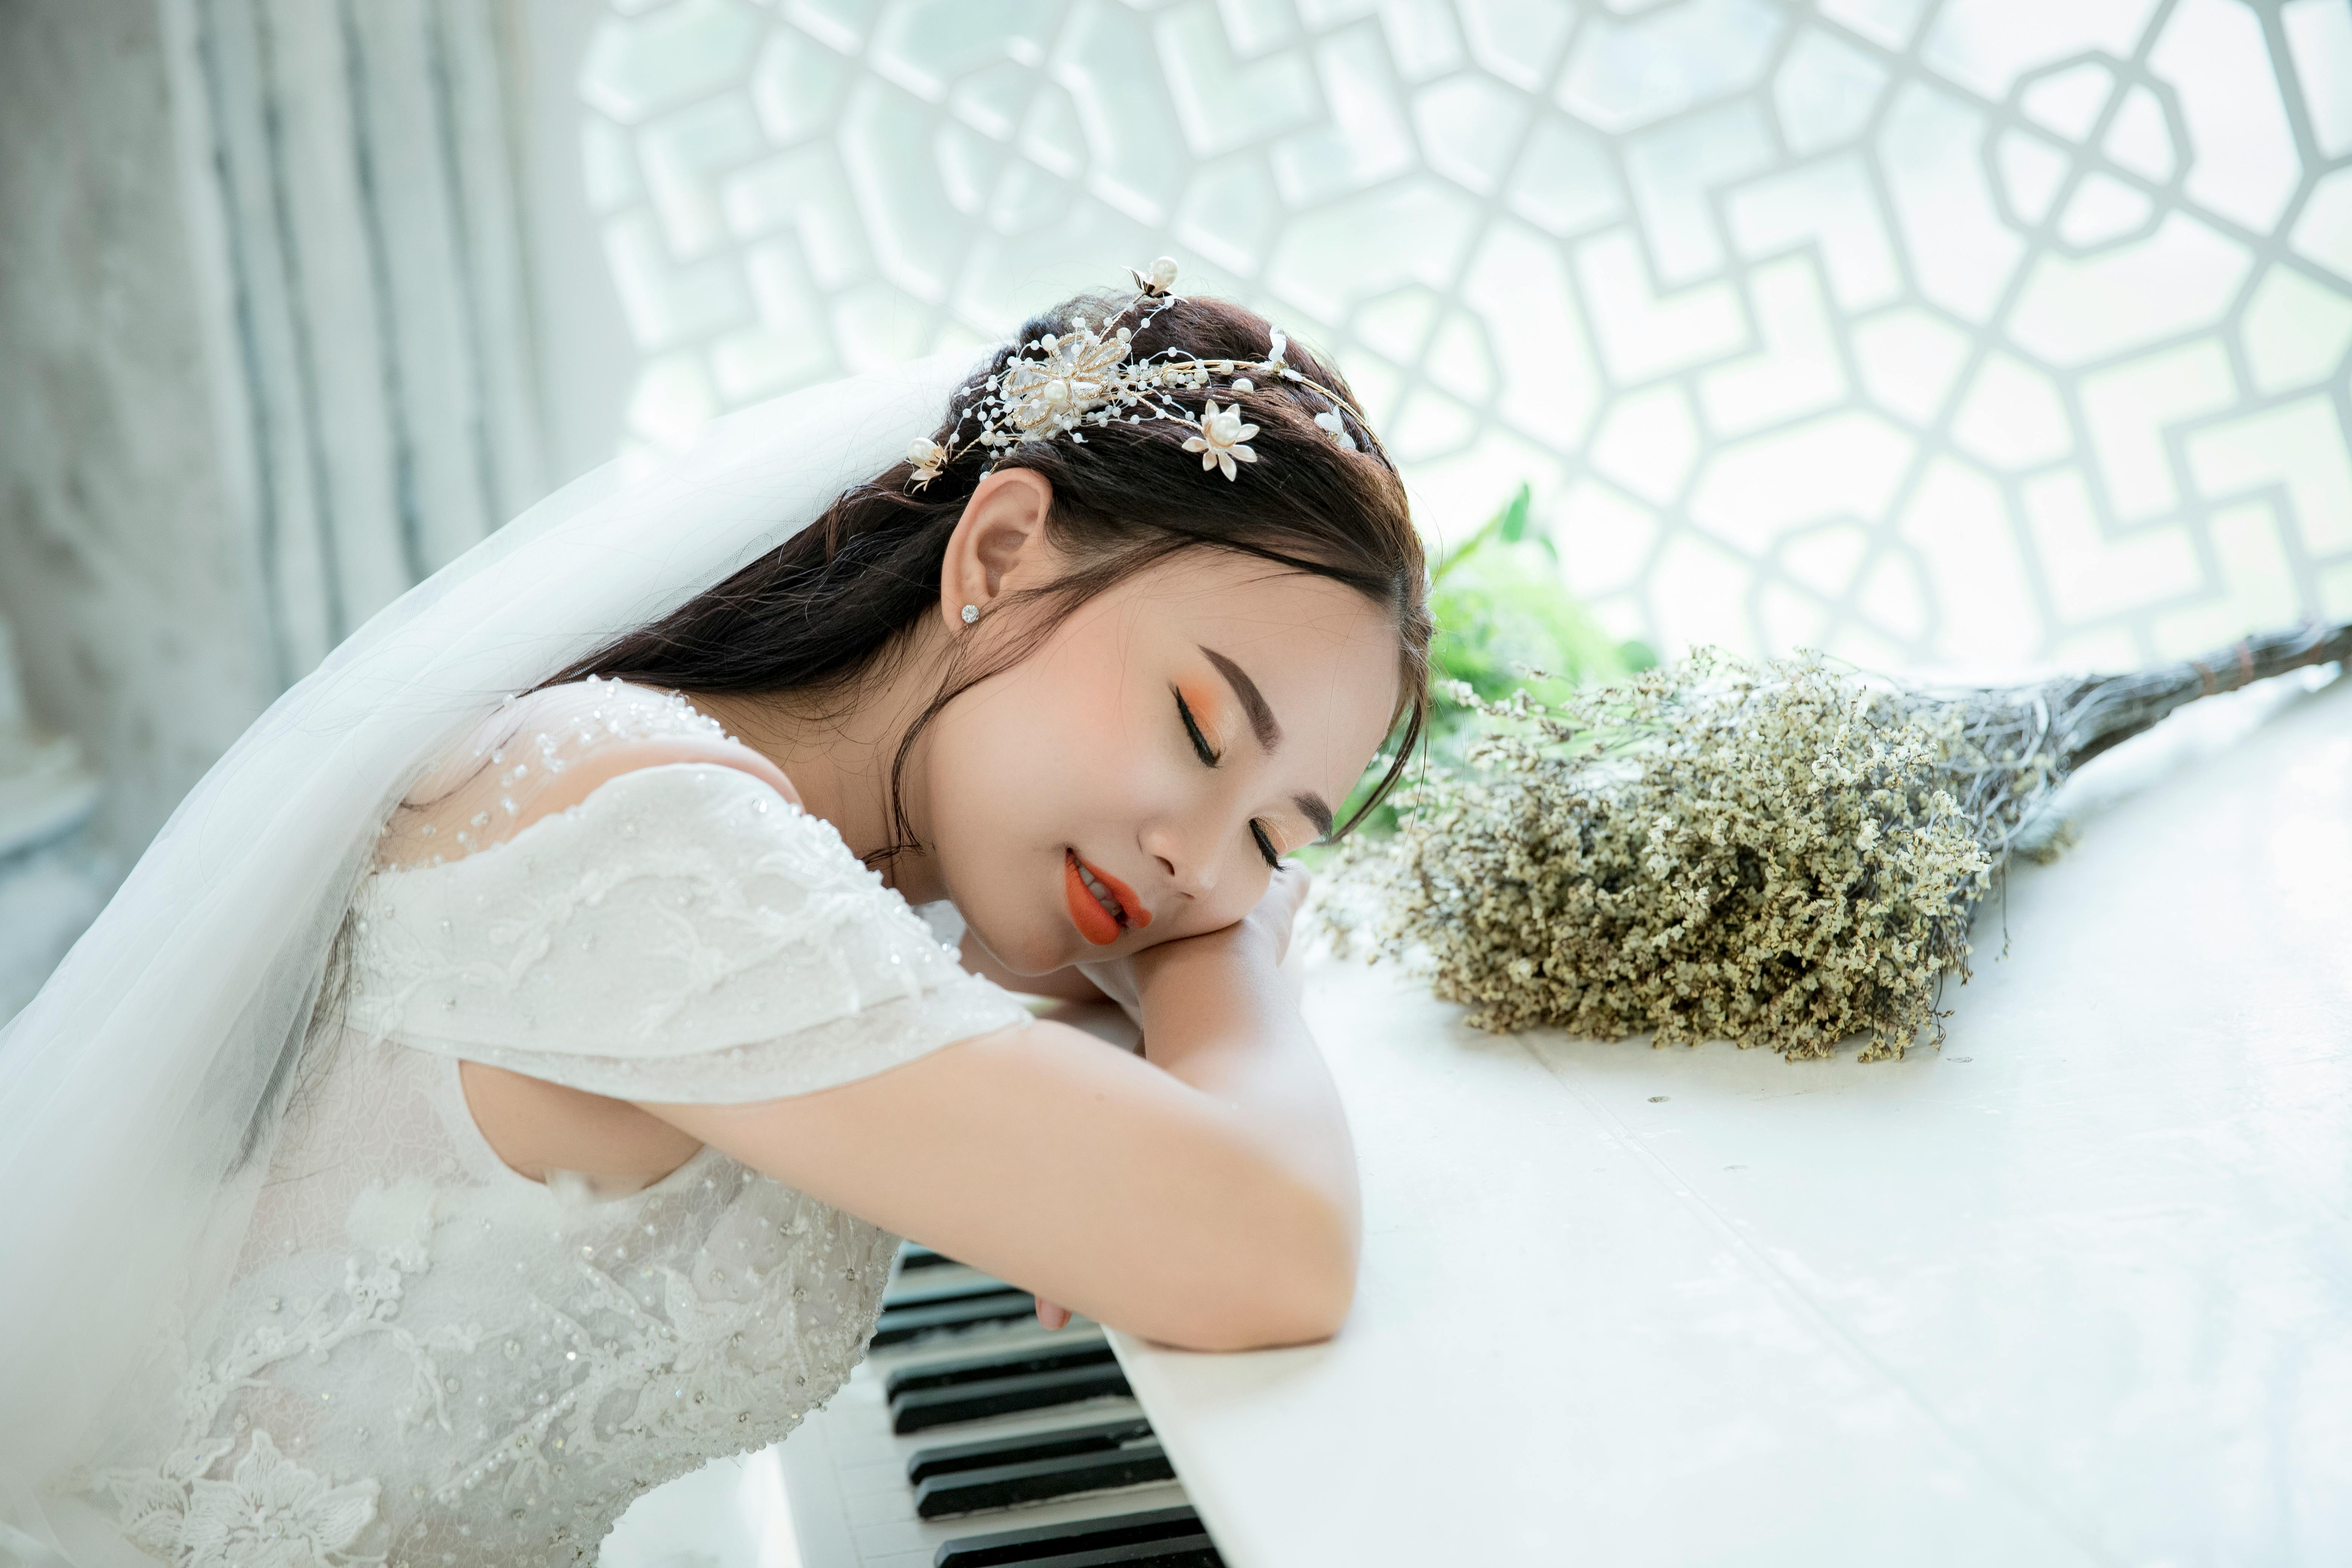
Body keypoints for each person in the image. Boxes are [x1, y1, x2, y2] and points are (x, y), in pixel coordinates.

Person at [0, 270, 1430, 1568]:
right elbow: (1277, 1249)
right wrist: (1227, 960)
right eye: (1196, 726)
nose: (1196, 861)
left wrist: (1098, 1101)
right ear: (995, 560)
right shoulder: (647, 840)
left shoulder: (790, 850)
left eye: (1269, 839)